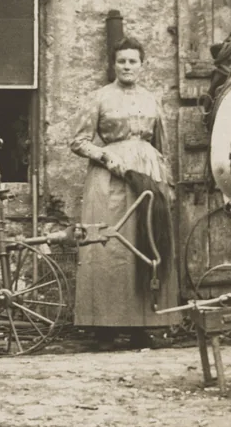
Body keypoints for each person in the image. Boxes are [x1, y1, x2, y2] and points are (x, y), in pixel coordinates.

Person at [70, 37, 180, 349]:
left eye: (133, 61)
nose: (127, 66)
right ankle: (104, 328)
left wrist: (166, 183)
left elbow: (163, 146)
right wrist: (105, 156)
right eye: (122, 61)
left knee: (147, 243)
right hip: (110, 182)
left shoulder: (151, 99)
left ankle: (146, 325)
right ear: (113, 65)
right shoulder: (100, 97)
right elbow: (78, 141)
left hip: (148, 176)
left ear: (142, 65)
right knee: (110, 247)